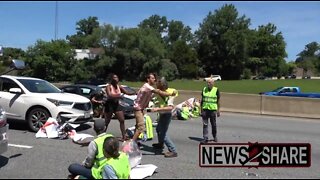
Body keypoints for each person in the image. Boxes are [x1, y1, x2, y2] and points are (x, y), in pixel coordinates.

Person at [132, 73, 176, 144]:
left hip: (142, 109)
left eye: (154, 78)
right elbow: (158, 92)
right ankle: (131, 144)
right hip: (138, 109)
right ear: (148, 79)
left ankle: (135, 141)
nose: (154, 80)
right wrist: (170, 94)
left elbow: (153, 96)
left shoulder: (149, 88)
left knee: (139, 126)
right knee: (141, 128)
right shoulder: (147, 86)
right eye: (152, 78)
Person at [150, 77, 178, 158]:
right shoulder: (159, 92)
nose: (156, 85)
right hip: (162, 114)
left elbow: (170, 108)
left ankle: (173, 150)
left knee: (163, 133)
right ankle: (160, 144)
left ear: (162, 85)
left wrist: (157, 109)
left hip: (166, 114)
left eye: (158, 83)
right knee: (158, 129)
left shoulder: (171, 92)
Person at [104, 73, 136, 141]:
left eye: (117, 77)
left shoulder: (119, 87)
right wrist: (119, 96)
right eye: (115, 77)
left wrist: (135, 92)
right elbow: (109, 95)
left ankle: (124, 136)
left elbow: (127, 93)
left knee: (122, 120)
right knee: (107, 121)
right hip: (109, 104)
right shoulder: (108, 86)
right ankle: (102, 134)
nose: (117, 79)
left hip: (117, 104)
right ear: (112, 79)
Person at [200, 78, 220, 143]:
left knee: (213, 124)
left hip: (212, 110)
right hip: (205, 110)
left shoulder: (216, 90)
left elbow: (218, 101)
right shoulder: (204, 89)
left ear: (213, 83)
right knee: (205, 124)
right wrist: (201, 110)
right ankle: (205, 138)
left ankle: (214, 136)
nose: (208, 84)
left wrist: (218, 110)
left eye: (210, 83)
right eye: (207, 82)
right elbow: (202, 100)